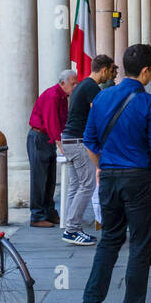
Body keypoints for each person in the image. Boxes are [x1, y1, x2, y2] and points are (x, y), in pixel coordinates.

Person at [76, 43, 151, 303]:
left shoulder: (103, 98)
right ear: (146, 71)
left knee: (109, 240)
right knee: (141, 246)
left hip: (109, 178)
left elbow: (90, 141)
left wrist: (101, 167)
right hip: (140, 180)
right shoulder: (148, 103)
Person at [59, 53, 113, 247]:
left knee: (76, 185)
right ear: (104, 69)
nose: (111, 76)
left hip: (69, 140)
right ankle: (72, 229)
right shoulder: (91, 87)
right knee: (87, 185)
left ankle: (70, 225)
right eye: (111, 71)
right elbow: (99, 113)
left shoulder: (82, 85)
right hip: (79, 141)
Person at [28, 69, 76, 228]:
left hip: (46, 138)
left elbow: (63, 120)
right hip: (39, 137)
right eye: (73, 83)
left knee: (49, 178)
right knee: (39, 178)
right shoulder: (53, 96)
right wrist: (61, 144)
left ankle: (49, 212)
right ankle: (37, 215)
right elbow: (52, 122)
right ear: (63, 83)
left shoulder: (63, 96)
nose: (75, 86)